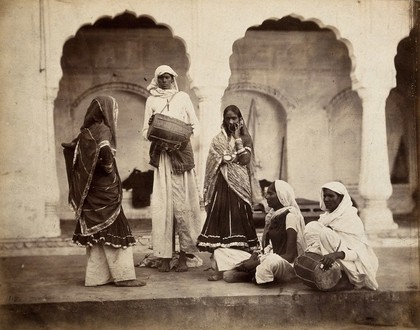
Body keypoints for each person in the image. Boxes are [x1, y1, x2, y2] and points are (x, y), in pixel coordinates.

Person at [63, 95, 145, 287]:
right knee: (116, 227)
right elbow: (106, 153)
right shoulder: (103, 129)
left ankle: (97, 278)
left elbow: (72, 151)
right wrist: (108, 168)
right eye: (113, 110)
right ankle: (124, 277)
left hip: (91, 193)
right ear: (106, 112)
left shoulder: (85, 132)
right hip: (105, 190)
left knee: (97, 234)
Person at [141, 65, 202, 272]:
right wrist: (154, 128)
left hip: (181, 157)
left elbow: (195, 125)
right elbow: (144, 132)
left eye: (168, 77)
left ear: (173, 78)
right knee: (164, 207)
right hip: (163, 159)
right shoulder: (152, 100)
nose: (164, 80)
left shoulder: (182, 98)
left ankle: (184, 256)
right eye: (161, 77)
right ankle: (165, 256)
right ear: (156, 79)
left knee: (183, 207)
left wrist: (179, 135)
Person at [196, 104, 262, 281]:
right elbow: (215, 160)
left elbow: (245, 160)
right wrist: (229, 157)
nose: (231, 121)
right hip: (221, 187)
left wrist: (237, 139)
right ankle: (218, 269)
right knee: (221, 228)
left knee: (240, 224)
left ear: (240, 119)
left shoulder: (246, 137)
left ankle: (239, 266)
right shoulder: (217, 139)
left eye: (234, 118)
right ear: (224, 120)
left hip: (239, 188)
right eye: (228, 118)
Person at [225, 180, 306, 284]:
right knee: (223, 253)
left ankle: (253, 275)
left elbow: (290, 256)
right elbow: (267, 247)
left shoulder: (290, 216)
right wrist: (254, 257)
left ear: (282, 196)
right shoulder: (272, 216)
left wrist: (257, 262)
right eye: (266, 193)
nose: (266, 197)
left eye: (270, 193)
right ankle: (255, 274)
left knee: (270, 262)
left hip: (285, 264)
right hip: (268, 257)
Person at [304, 181, 379, 290]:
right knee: (312, 227)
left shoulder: (351, 218)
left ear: (341, 198)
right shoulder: (326, 217)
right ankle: (329, 271)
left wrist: (335, 255)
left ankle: (346, 278)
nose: (326, 199)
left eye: (331, 196)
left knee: (325, 233)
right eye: (325, 196)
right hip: (334, 258)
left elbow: (358, 253)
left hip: (356, 265)